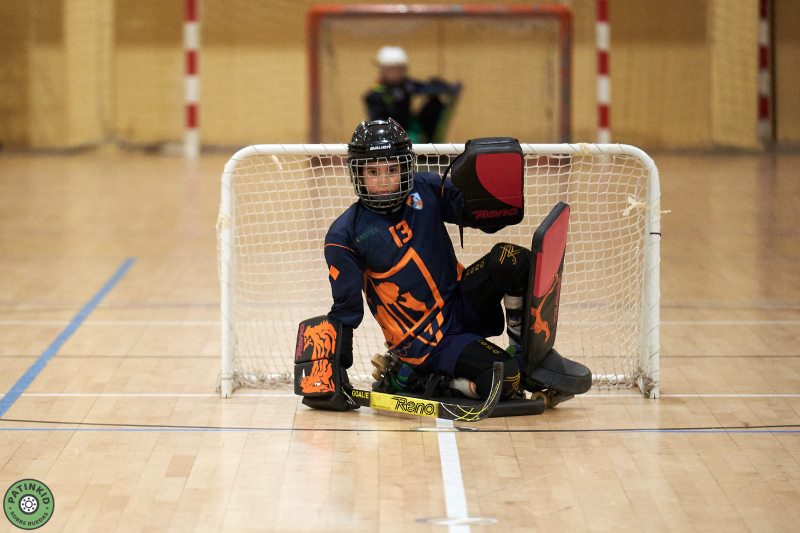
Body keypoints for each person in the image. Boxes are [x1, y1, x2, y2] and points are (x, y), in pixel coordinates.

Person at [323, 118, 574, 404]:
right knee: (507, 378)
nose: (383, 180)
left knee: (511, 259)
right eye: (373, 171)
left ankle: (523, 353)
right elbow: (346, 309)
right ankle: (414, 377)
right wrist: (335, 372)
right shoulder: (344, 235)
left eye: (392, 169)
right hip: (425, 341)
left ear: (406, 167)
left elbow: (471, 212)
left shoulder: (425, 188)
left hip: (459, 302)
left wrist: (492, 194)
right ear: (358, 174)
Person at [364, 46, 461, 144]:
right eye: (390, 69)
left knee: (434, 104)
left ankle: (431, 145)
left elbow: (425, 88)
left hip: (409, 127)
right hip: (389, 134)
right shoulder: (375, 95)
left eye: (398, 69)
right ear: (383, 71)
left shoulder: (407, 85)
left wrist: (444, 87)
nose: (395, 73)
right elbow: (378, 122)